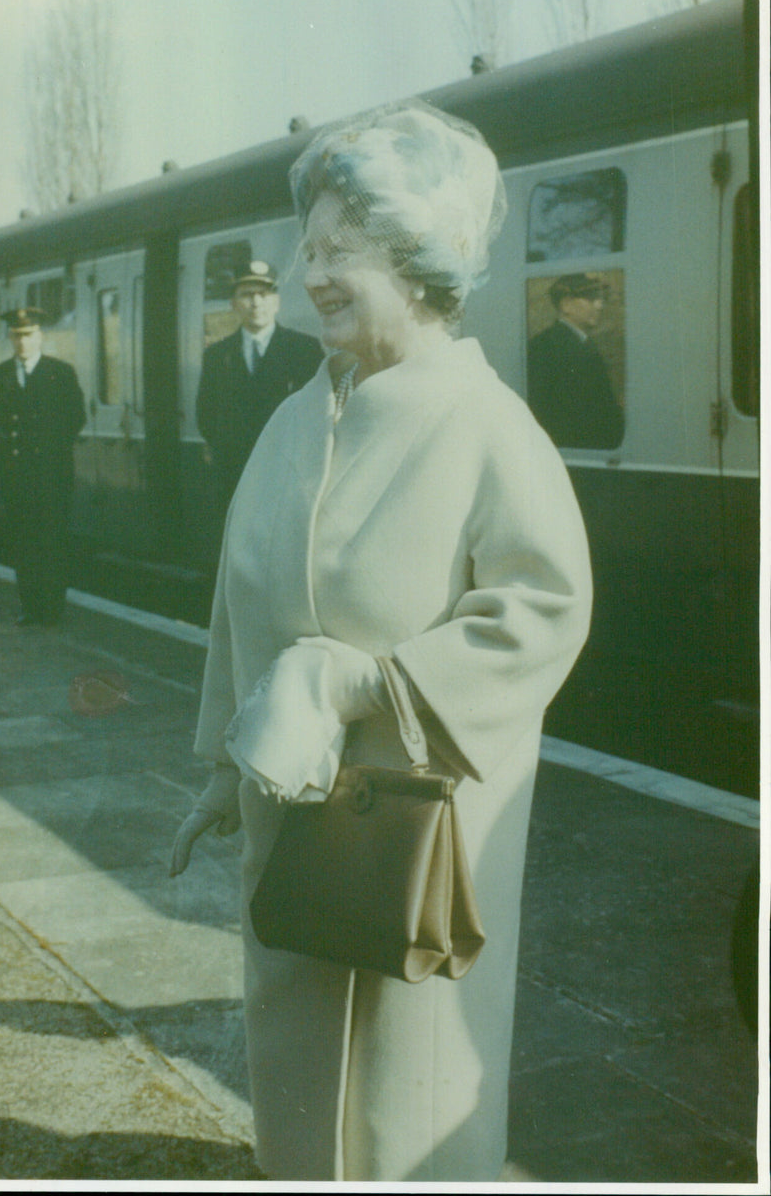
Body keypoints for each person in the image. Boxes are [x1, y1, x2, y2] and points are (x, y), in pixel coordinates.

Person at [170, 102, 593, 1182]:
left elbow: (543, 608)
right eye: (306, 248)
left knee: (405, 1092)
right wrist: (225, 763)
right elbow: (237, 594)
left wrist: (370, 683)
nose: (310, 274)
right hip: (289, 821)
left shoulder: (485, 424)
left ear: (417, 260)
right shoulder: (289, 417)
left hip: (418, 833)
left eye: (339, 252)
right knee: (297, 1065)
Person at [195, 261, 322, 516]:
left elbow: (318, 412)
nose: (256, 302)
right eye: (246, 295)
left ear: (276, 302)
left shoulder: (304, 350)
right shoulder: (217, 355)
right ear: (233, 304)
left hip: (288, 474)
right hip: (235, 476)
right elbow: (205, 414)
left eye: (263, 294)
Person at [0, 307, 85, 626]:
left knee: (52, 543)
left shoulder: (60, 373)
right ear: (10, 338)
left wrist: (47, 449)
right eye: (16, 335)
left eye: (28, 335)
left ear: (40, 336)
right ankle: (30, 608)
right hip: (15, 477)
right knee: (23, 544)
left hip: (51, 476)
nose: (22, 342)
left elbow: (75, 418)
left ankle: (52, 610)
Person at [527, 272, 625, 449]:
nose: (599, 305)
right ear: (566, 305)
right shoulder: (545, 347)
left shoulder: (582, 344)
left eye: (601, 299)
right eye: (590, 298)